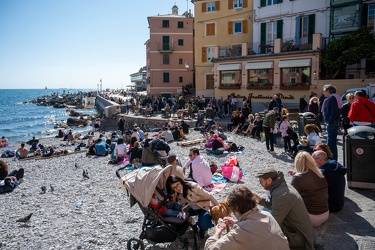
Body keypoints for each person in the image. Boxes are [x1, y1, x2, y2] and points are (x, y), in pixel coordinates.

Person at [204, 185, 289, 250]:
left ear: (236, 207)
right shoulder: (268, 215)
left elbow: (212, 248)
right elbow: (256, 230)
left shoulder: (239, 233)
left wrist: (216, 234)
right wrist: (237, 223)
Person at [253, 167, 315, 249]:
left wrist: (250, 225)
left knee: (262, 232)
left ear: (269, 180)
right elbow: (273, 204)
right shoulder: (281, 186)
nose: (260, 183)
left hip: (299, 238)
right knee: (264, 213)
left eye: (261, 181)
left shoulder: (281, 195)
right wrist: (258, 199)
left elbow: (274, 224)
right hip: (297, 230)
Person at [289, 152, 329, 227]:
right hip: (325, 214)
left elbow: (290, 197)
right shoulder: (320, 173)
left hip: (311, 217)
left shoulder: (298, 178)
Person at [322, 84, 341, 161]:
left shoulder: (332, 98)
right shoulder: (335, 97)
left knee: (330, 143)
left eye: (324, 91)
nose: (323, 93)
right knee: (331, 142)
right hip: (334, 123)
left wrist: (330, 121)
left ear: (328, 91)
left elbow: (334, 112)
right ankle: (333, 159)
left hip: (332, 123)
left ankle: (332, 160)